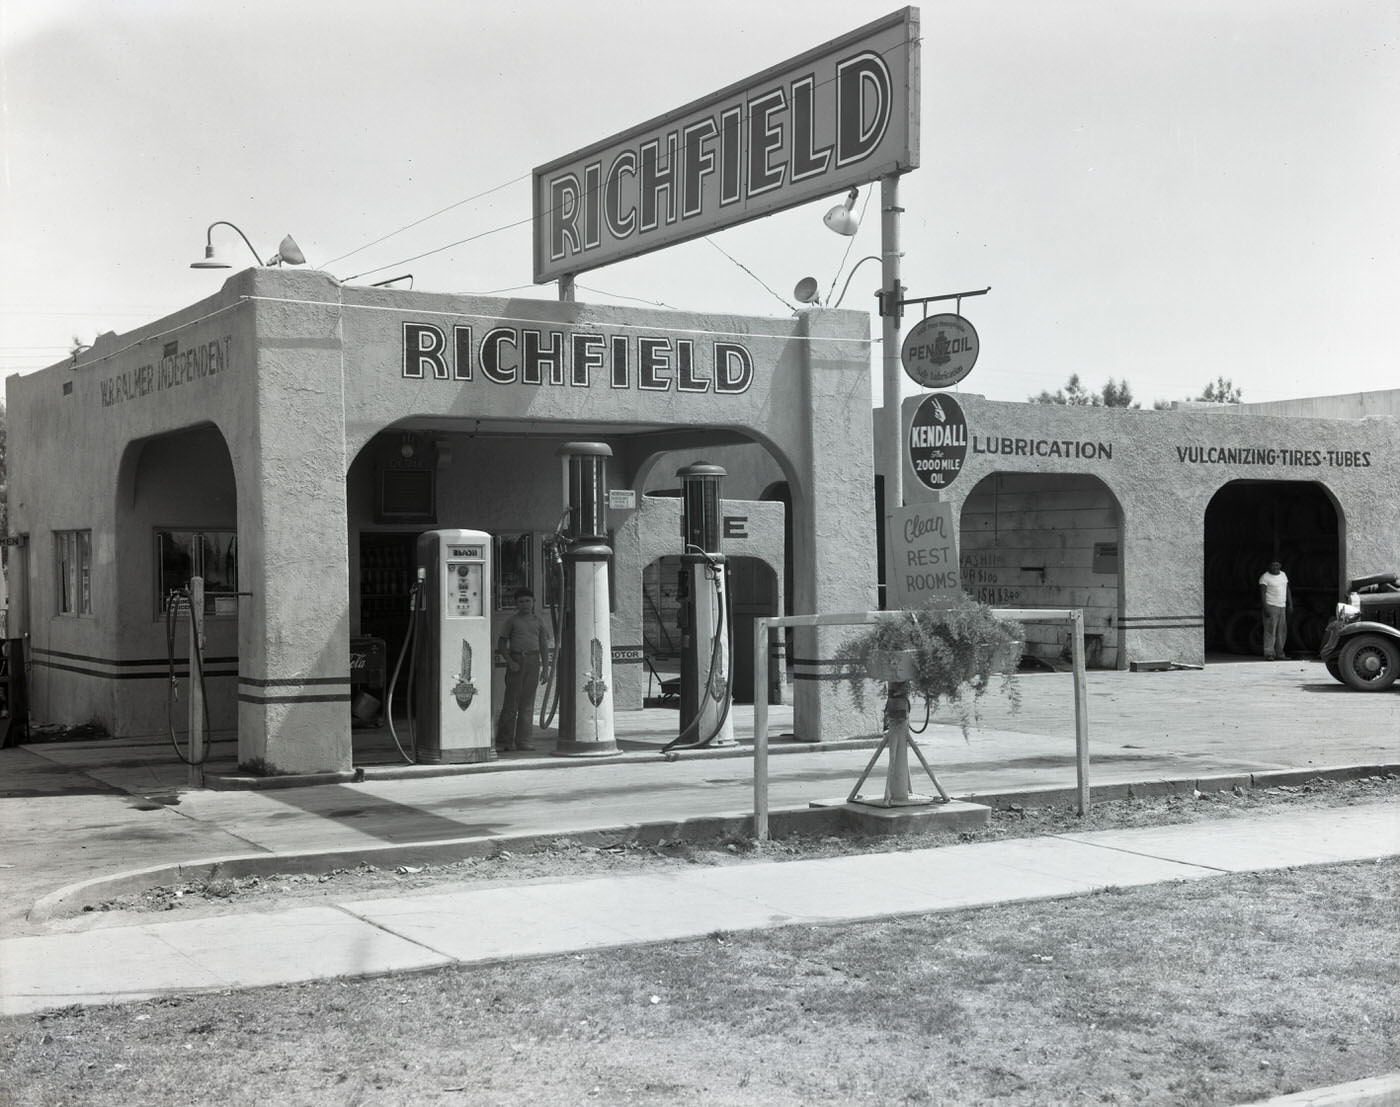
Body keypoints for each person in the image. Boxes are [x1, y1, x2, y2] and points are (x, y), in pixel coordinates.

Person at [495, 587, 554, 752]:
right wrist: (510, 661)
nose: (525, 604)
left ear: (533, 602)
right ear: (516, 604)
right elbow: (501, 644)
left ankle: (524, 741)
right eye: (521, 601)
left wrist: (546, 669)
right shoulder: (511, 621)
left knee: (527, 704)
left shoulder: (539, 621)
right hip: (517, 660)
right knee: (511, 703)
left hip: (534, 661)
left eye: (528, 600)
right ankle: (504, 741)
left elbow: (544, 645)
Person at [1258, 559, 1292, 661]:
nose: (1275, 567)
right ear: (1269, 566)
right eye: (1273, 565)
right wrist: (1266, 607)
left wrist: (1290, 603)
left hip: (1282, 606)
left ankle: (1280, 654)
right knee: (1270, 631)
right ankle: (1269, 653)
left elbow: (1287, 589)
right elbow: (1262, 594)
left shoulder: (1283, 575)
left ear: (1280, 565)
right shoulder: (1265, 577)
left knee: (1281, 631)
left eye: (1277, 565)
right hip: (1271, 606)